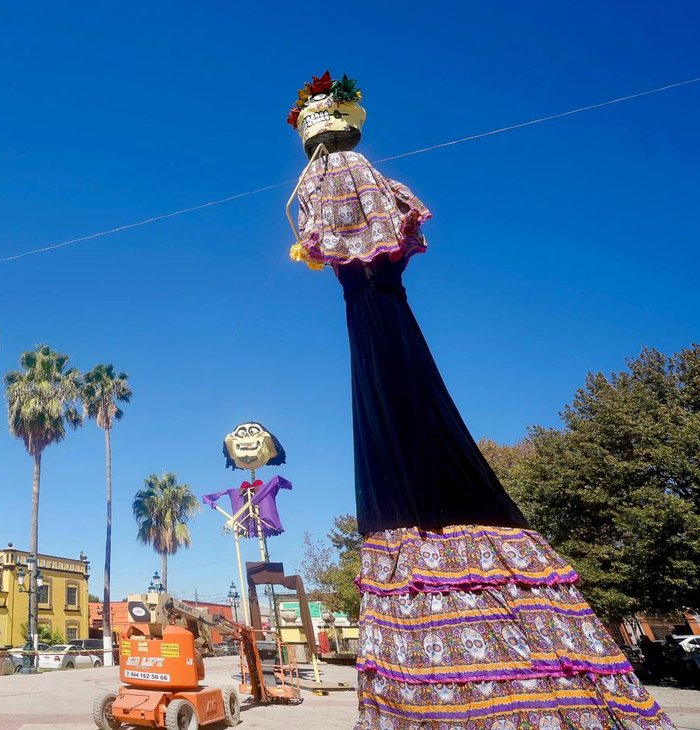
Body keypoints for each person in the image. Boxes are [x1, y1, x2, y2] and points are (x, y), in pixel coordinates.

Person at [284, 71, 675, 729]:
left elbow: (347, 231)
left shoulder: (348, 178)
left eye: (320, 118)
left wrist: (327, 164)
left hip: (381, 322)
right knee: (398, 427)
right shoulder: (343, 186)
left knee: (404, 429)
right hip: (376, 323)